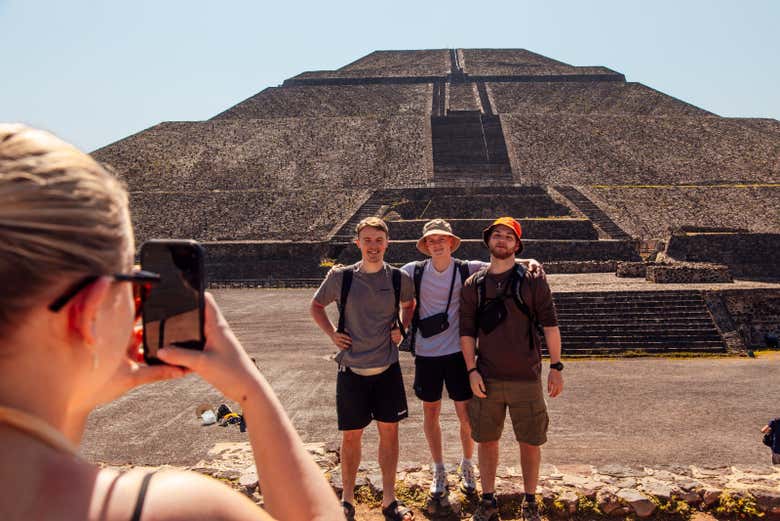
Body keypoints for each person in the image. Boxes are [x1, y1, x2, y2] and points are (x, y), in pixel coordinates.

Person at [0, 124, 342, 521]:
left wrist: (73, 397)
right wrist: (252, 392)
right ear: (89, 311)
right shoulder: (173, 508)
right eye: (130, 281)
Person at [399, 219, 543, 507]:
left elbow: (503, 262)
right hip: (426, 354)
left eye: (442, 240)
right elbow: (390, 288)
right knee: (431, 414)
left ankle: (467, 463)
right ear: (425, 245)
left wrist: (531, 259)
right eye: (431, 240)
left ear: (451, 243)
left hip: (456, 354)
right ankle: (438, 468)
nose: (436, 244)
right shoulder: (411, 271)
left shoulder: (468, 268)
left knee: (466, 416)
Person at [310, 216, 416, 521]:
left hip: (387, 369)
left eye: (378, 240)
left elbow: (409, 306)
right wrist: (332, 334)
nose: (373, 246)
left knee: (390, 435)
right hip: (352, 371)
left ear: (387, 243)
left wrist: (402, 328)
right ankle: (347, 499)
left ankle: (389, 499)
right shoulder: (340, 278)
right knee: (351, 437)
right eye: (367, 240)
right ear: (358, 243)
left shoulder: (399, 279)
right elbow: (316, 306)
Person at [459, 217, 564, 521]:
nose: (501, 240)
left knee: (530, 442)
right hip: (487, 377)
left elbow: (550, 325)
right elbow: (467, 332)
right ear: (488, 241)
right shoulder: (474, 285)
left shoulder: (532, 279)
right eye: (497, 235)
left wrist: (556, 367)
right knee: (486, 441)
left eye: (508, 236)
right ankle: (488, 499)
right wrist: (471, 370)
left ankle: (530, 501)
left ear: (517, 245)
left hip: (526, 377)